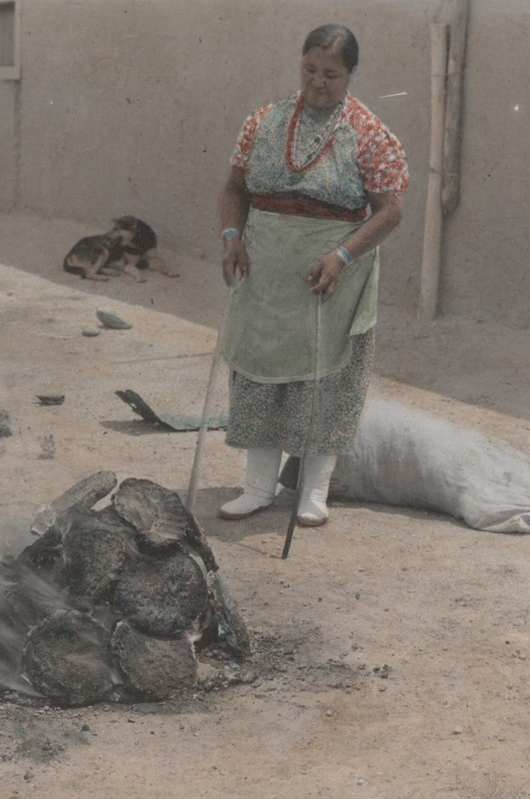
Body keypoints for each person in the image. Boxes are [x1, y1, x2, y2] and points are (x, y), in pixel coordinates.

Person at [216, 23, 408, 527]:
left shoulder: (368, 132)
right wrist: (232, 237)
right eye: (310, 69)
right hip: (266, 271)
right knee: (258, 373)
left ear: (350, 74)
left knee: (324, 384)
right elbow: (234, 188)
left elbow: (389, 212)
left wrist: (342, 256)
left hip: (330, 275)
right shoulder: (264, 121)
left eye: (331, 74)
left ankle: (313, 493)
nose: (318, 83)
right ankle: (257, 487)